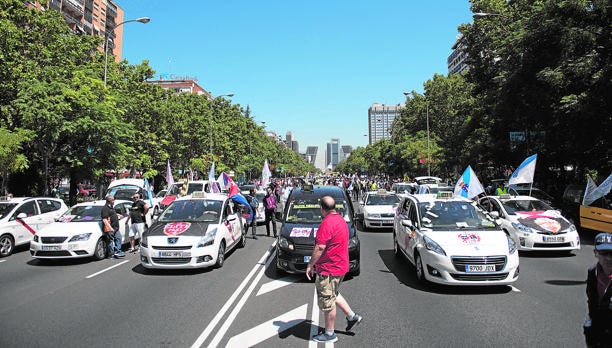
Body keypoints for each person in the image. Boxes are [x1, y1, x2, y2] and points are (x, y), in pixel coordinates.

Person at [306, 196, 362, 343]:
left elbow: (320, 247)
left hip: (329, 268)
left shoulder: (326, 223)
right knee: (333, 293)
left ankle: (330, 333)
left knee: (327, 301)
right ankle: (351, 316)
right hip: (341, 266)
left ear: (322, 209)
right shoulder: (340, 220)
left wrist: (310, 265)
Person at [583, 233, 612, 347]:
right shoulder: (592, 272)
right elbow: (592, 300)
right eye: (604, 253)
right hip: (598, 332)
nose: (609, 258)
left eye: (611, 253)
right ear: (596, 253)